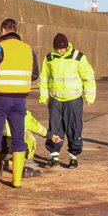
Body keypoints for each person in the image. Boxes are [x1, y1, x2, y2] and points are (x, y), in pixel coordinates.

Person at [0, 18, 39, 188]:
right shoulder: (29, 50)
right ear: (15, 30)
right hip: (20, 99)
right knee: (18, 137)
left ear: (2, 30)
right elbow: (35, 74)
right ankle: (16, 181)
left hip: (0, 97)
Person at [39, 33, 96, 168]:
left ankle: (73, 156)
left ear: (67, 46)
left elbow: (88, 77)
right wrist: (43, 96)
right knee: (55, 127)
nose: (60, 51)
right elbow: (44, 78)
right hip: (55, 99)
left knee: (74, 127)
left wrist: (89, 96)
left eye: (62, 49)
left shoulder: (78, 57)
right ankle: (54, 156)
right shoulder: (49, 58)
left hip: (73, 99)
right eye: (58, 49)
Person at [1, 111, 61, 178]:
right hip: (14, 150)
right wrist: (51, 135)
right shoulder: (24, 115)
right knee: (28, 134)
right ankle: (20, 169)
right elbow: (38, 128)